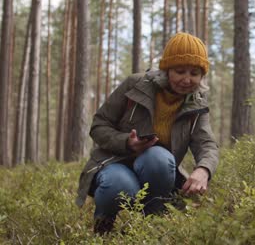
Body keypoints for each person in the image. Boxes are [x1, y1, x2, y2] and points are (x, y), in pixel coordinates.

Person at [75, 32, 219, 235]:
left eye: (194, 73)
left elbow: (207, 144)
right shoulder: (135, 85)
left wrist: (203, 170)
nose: (187, 80)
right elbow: (99, 125)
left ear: (202, 75)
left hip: (156, 170)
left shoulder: (196, 103)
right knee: (118, 186)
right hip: (115, 162)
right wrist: (127, 142)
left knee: (157, 157)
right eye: (180, 71)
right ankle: (103, 232)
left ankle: (153, 228)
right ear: (167, 69)